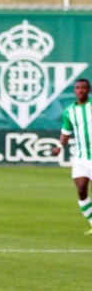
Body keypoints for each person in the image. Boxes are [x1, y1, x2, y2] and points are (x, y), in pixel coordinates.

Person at [51, 78, 92, 234]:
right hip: (81, 157)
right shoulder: (69, 111)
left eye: (83, 88)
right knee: (81, 190)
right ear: (74, 90)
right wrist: (60, 146)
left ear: (88, 90)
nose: (80, 90)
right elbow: (66, 132)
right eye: (77, 88)